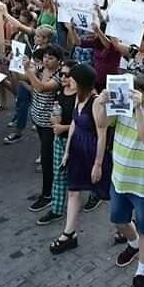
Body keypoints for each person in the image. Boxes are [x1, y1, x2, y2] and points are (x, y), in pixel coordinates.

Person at [93, 73, 144, 287]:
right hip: (121, 178)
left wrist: (138, 109)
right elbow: (102, 124)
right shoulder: (121, 101)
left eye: (136, 94)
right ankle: (133, 244)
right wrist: (102, 103)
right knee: (118, 219)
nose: (131, 97)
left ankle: (142, 272)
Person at [50, 64, 112, 253]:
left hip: (93, 152)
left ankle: (126, 227)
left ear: (82, 82)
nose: (68, 80)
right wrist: (68, 151)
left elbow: (102, 134)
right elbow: (75, 125)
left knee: (108, 195)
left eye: (72, 78)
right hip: (77, 150)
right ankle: (69, 233)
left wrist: (98, 164)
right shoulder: (79, 98)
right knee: (73, 191)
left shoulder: (95, 102)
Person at [37, 60, 78, 225]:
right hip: (60, 139)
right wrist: (55, 120)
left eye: (67, 75)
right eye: (61, 74)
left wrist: (63, 127)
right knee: (59, 176)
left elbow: (86, 123)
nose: (62, 77)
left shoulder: (84, 95)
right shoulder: (61, 91)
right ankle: (56, 209)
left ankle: (94, 197)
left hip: (76, 142)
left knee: (80, 177)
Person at [24, 44, 63, 212]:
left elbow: (41, 87)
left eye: (51, 58)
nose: (46, 61)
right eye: (45, 57)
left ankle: (47, 194)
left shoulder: (60, 75)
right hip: (38, 119)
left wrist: (29, 72)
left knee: (47, 160)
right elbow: (28, 83)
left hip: (50, 124)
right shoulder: (40, 69)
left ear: (59, 61)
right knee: (47, 156)